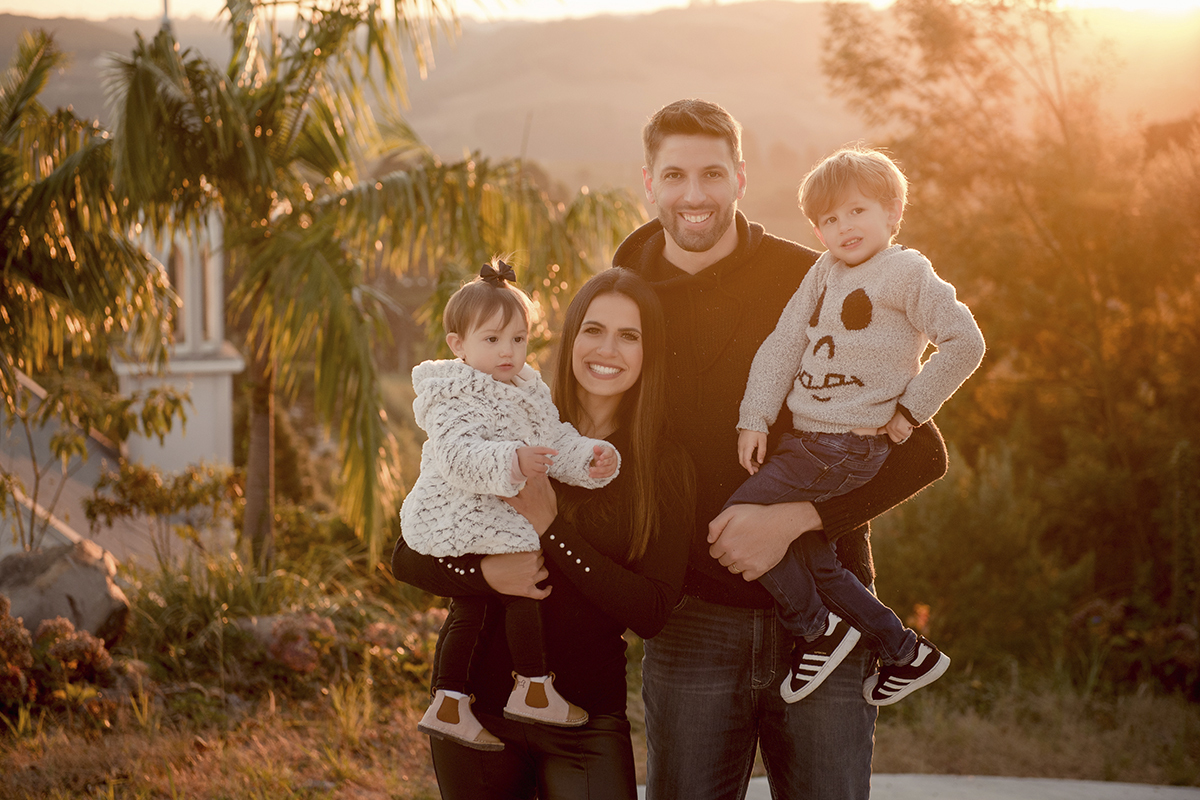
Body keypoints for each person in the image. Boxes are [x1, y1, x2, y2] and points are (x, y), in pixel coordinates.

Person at [613, 98, 952, 800]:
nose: (694, 195)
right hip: (690, 623)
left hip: (831, 615)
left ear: (740, 177)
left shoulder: (820, 275)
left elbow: (921, 453)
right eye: (674, 175)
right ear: (648, 183)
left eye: (712, 173)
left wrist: (794, 520)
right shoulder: (625, 296)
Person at [392, 267, 695, 799]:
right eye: (593, 330)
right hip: (479, 713)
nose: (608, 349)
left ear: (651, 351)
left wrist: (550, 528)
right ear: (571, 336)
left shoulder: (658, 462)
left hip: (586, 719)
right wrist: (486, 573)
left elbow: (650, 611)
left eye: (630, 335)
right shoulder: (500, 414)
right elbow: (406, 557)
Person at [726, 144, 985, 707]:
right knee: (816, 555)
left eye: (857, 211)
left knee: (735, 521)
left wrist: (911, 410)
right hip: (805, 441)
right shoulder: (823, 272)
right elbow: (785, 345)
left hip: (846, 447)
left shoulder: (906, 272)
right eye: (829, 219)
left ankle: (816, 630)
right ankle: (904, 650)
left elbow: (966, 342)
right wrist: (755, 418)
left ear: (893, 213)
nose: (843, 226)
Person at [401, 260, 621, 750]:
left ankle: (452, 701)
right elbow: (459, 457)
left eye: (518, 340)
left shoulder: (527, 389)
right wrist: (512, 460)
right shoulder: (453, 394)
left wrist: (589, 457)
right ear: (458, 344)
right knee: (519, 566)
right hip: (455, 506)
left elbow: (551, 442)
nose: (508, 352)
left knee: (477, 602)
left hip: (494, 502)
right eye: (493, 340)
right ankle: (532, 687)